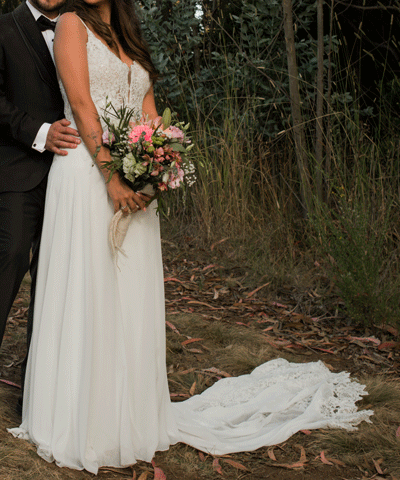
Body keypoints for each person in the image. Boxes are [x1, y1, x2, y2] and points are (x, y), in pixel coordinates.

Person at [9, 0, 373, 474]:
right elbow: (81, 104)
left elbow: (148, 109)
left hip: (134, 175)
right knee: (90, 288)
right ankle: (83, 418)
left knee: (130, 295)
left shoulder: (129, 36)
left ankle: (130, 414)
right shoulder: (72, 24)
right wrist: (112, 178)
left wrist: (162, 162)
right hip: (85, 174)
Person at [0, 0, 81, 413]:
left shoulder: (85, 28)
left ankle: (36, 393)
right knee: (9, 258)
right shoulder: (4, 27)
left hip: (74, 178)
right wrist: (38, 132)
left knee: (55, 279)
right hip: (17, 171)